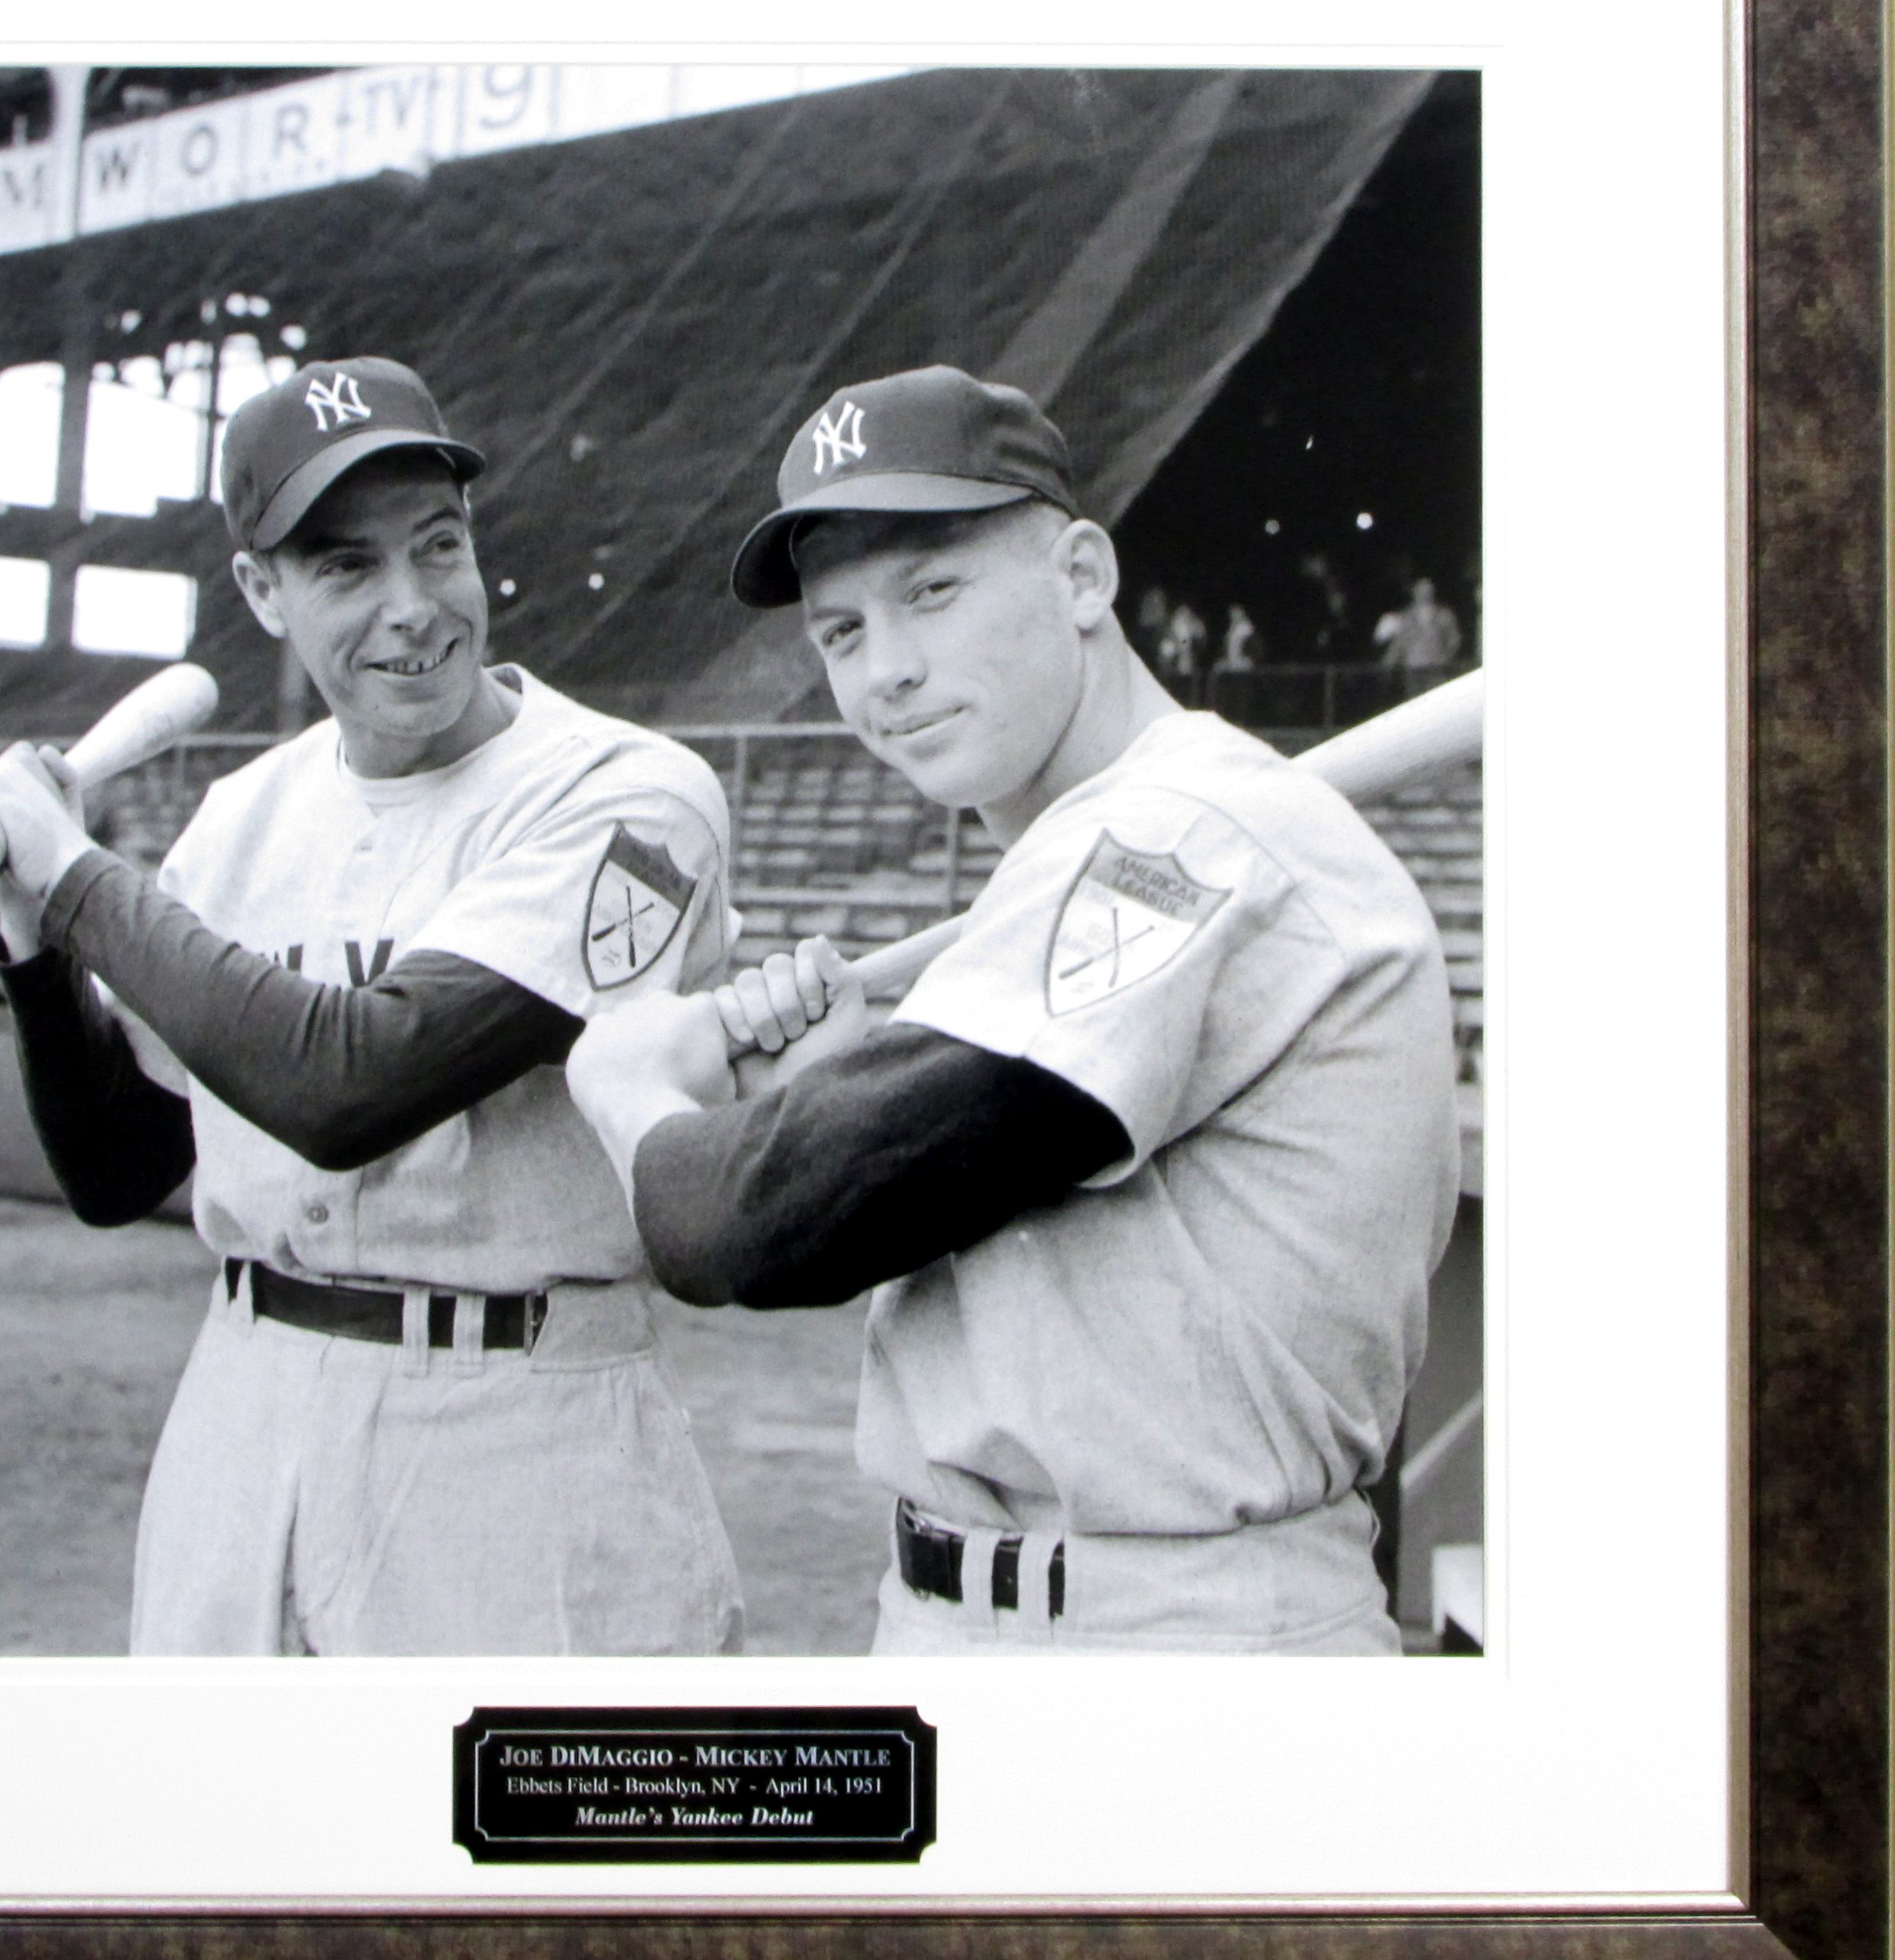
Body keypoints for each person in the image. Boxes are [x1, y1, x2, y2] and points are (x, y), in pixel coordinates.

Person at [565, 365, 1458, 1655]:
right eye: (842, 631)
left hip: (1181, 1641)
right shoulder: (1103, 846)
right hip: (973, 1611)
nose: (889, 673)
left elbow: (749, 1227)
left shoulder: (1183, 829)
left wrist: (628, 1082)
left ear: (1082, 578)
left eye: (931, 591)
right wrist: (848, 1074)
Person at [0, 355, 744, 1658]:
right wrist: (34, 932)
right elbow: (117, 1165)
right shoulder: (240, 816)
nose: (413, 609)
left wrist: (80, 879)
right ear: (262, 591)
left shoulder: (629, 795)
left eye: (437, 549)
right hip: (241, 1407)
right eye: (346, 568)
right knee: (226, 1855)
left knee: (496, 1854)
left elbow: (351, 1085)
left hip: (513, 1423)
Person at [1374, 576, 1464, 684]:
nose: (1425, 593)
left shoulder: (1444, 615)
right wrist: (1387, 665)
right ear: (1414, 591)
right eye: (1421, 589)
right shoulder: (1405, 617)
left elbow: (1455, 639)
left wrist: (1446, 658)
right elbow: (1399, 644)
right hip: (1413, 671)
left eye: (1428, 590)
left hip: (1436, 670)